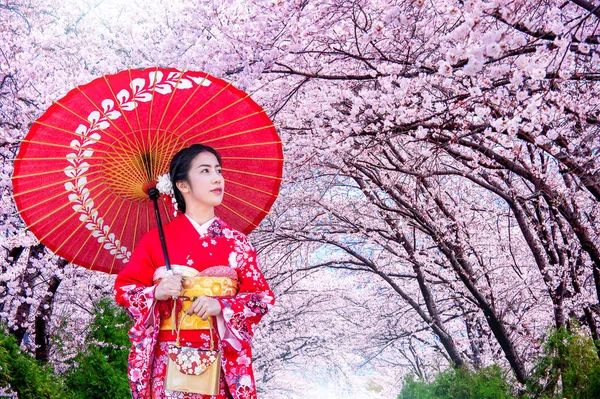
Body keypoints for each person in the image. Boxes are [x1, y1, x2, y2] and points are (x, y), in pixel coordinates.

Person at [114, 144, 275, 399]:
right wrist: (157, 292)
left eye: (218, 170)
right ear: (182, 185)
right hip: (169, 358)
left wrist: (221, 306)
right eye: (205, 171)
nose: (217, 178)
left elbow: (261, 299)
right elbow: (125, 290)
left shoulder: (236, 242)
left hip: (219, 356)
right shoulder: (155, 240)